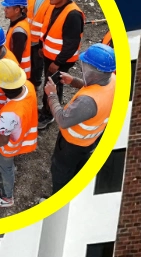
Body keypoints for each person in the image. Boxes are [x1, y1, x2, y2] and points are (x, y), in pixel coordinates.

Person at [44, 43, 114, 194]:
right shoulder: (113, 80)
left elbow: (62, 119)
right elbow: (96, 85)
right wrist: (74, 81)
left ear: (95, 70)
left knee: (61, 173)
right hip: (89, 142)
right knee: (77, 170)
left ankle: (59, 198)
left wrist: (51, 95)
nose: (82, 67)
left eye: (85, 65)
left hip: (71, 146)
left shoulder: (87, 102)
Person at [0, 59, 37, 209]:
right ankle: (3, 168)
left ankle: (6, 198)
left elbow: (3, 139)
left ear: (2, 87)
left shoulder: (9, 114)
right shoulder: (29, 87)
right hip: (21, 139)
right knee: (4, 165)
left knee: (4, 169)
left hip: (6, 149)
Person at [38, 0, 85, 121]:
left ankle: (50, 114)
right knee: (50, 83)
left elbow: (71, 44)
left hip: (60, 60)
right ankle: (47, 108)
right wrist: (43, 47)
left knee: (53, 85)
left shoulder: (73, 15)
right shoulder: (56, 6)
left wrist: (57, 62)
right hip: (51, 56)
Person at [25, 0, 58, 93]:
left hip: (39, 41)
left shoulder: (53, 2)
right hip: (28, 36)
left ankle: (36, 84)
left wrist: (41, 45)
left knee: (37, 64)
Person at [2, 0, 32, 79]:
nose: (5, 9)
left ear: (17, 10)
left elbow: (16, 58)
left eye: (7, 7)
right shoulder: (18, 22)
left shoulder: (19, 31)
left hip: (17, 74)